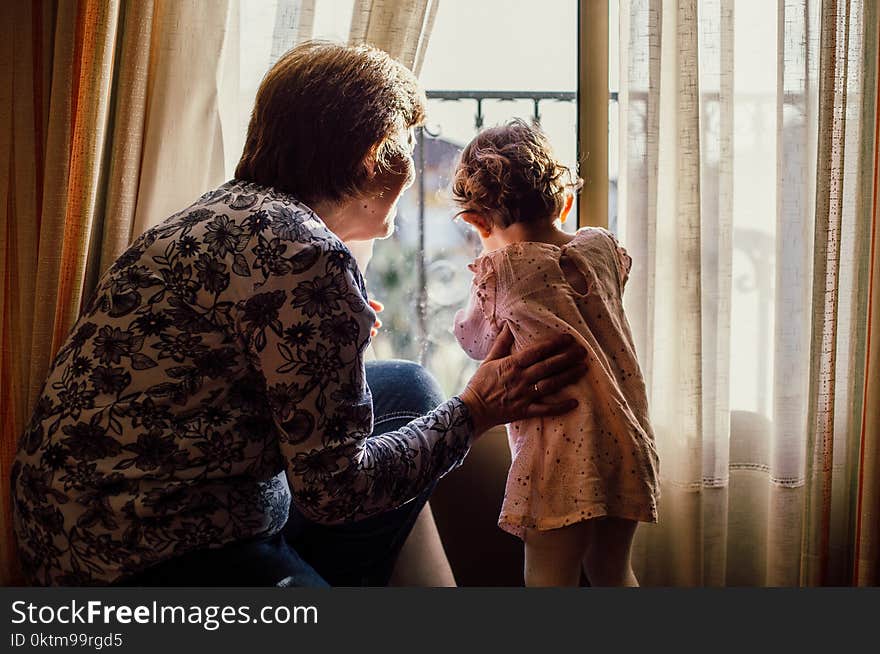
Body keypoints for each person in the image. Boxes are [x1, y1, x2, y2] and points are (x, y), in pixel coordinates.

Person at [10, 43, 588, 586]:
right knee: (422, 420)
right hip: (157, 556)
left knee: (407, 387)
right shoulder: (308, 255)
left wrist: (332, 338)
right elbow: (336, 490)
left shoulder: (219, 212)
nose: (411, 169)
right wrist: (478, 409)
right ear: (372, 156)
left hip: (63, 523)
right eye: (406, 149)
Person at [451, 120, 659, 587]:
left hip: (560, 456)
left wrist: (475, 299)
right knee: (612, 570)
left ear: (476, 222)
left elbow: (477, 342)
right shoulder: (601, 247)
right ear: (564, 201)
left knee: (549, 577)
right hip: (625, 438)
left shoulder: (501, 269)